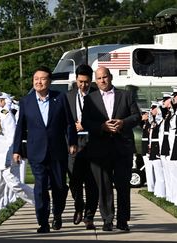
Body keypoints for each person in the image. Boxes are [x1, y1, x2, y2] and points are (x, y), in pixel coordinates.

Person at [13, 66, 78, 233]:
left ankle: (57, 214)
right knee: (40, 188)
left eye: (42, 79)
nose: (38, 82)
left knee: (59, 187)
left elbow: (70, 123)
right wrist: (17, 150)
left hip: (57, 151)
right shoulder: (26, 101)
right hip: (36, 152)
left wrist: (72, 142)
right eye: (36, 79)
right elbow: (20, 127)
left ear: (49, 82)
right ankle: (43, 222)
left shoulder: (60, 98)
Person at [81, 67, 141, 232]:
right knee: (104, 187)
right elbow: (86, 121)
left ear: (111, 77)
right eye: (99, 78)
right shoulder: (90, 99)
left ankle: (123, 220)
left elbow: (137, 116)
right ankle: (107, 219)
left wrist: (123, 123)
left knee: (122, 186)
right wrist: (102, 127)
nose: (102, 81)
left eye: (105, 77)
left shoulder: (126, 95)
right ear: (96, 80)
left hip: (122, 148)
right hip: (100, 149)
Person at [0, 89, 34, 222]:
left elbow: (12, 138)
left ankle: (40, 202)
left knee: (15, 185)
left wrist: (9, 158)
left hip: (6, 158)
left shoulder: (5, 114)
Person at [65, 64, 99, 230]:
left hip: (93, 143)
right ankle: (79, 204)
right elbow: (64, 122)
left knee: (92, 183)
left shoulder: (97, 95)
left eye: (86, 82)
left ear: (90, 81)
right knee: (74, 181)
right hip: (74, 144)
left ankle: (89, 216)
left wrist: (85, 125)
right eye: (80, 82)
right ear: (76, 80)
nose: (83, 85)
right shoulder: (69, 97)